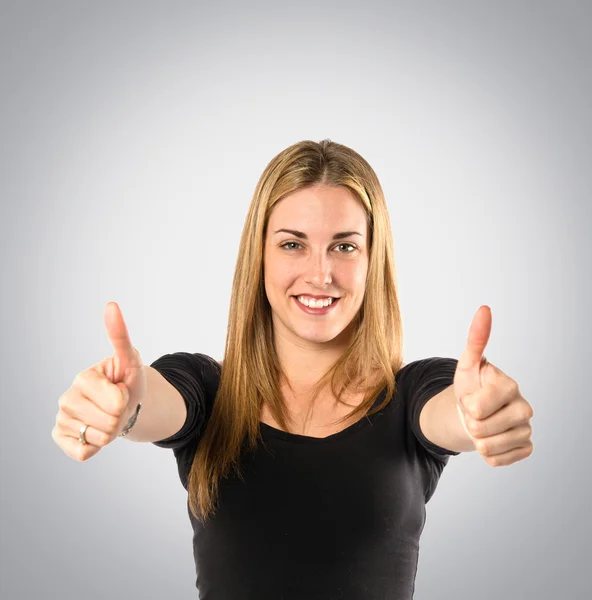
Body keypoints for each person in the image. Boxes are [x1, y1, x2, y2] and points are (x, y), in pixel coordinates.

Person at [53, 139, 469, 599]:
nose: (320, 273)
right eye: (293, 244)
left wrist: (478, 413)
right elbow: (155, 402)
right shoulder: (209, 390)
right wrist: (124, 408)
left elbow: (453, 411)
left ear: (374, 260)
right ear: (260, 256)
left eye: (344, 247)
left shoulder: (411, 395)